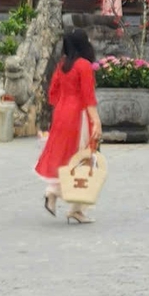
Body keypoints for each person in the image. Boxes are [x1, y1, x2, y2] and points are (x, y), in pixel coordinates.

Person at [34, 28, 101, 223]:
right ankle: (72, 205)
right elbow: (89, 97)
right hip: (78, 115)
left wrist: (63, 105)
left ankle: (56, 194)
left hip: (62, 113)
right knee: (83, 159)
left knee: (64, 155)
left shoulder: (62, 65)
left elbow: (52, 92)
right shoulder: (84, 66)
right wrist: (96, 120)